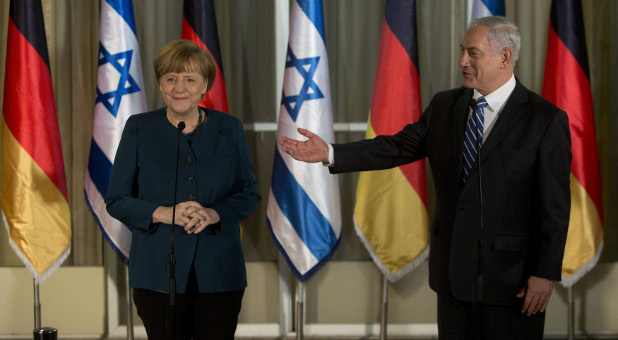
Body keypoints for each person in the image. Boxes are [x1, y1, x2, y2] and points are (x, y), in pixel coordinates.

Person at [278, 16, 571, 340]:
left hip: (512, 282)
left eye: (472, 53)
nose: (462, 61)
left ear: (504, 57)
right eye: (462, 51)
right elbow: (396, 147)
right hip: (453, 277)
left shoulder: (545, 120)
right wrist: (331, 152)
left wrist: (544, 273)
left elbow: (554, 209)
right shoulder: (445, 105)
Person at [105, 39, 260, 340]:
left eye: (190, 79)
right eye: (171, 78)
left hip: (219, 270)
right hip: (157, 272)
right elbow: (116, 199)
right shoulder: (138, 128)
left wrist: (214, 214)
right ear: (160, 84)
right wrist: (164, 213)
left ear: (205, 86)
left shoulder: (230, 128)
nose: (179, 87)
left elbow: (248, 193)